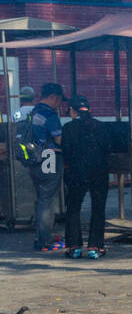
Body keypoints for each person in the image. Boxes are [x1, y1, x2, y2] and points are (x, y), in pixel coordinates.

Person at [61, 95, 111, 259]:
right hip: (99, 172)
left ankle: (74, 247)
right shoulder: (101, 126)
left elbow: (66, 151)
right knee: (98, 208)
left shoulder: (68, 128)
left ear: (73, 111)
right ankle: (95, 247)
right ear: (90, 110)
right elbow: (107, 148)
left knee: (73, 208)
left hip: (76, 172)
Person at [26, 82, 65, 252]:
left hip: (34, 160)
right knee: (47, 200)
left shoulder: (32, 112)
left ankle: (40, 237)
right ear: (53, 97)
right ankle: (45, 241)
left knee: (41, 198)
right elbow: (59, 140)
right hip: (49, 160)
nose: (60, 104)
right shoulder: (50, 115)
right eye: (59, 100)